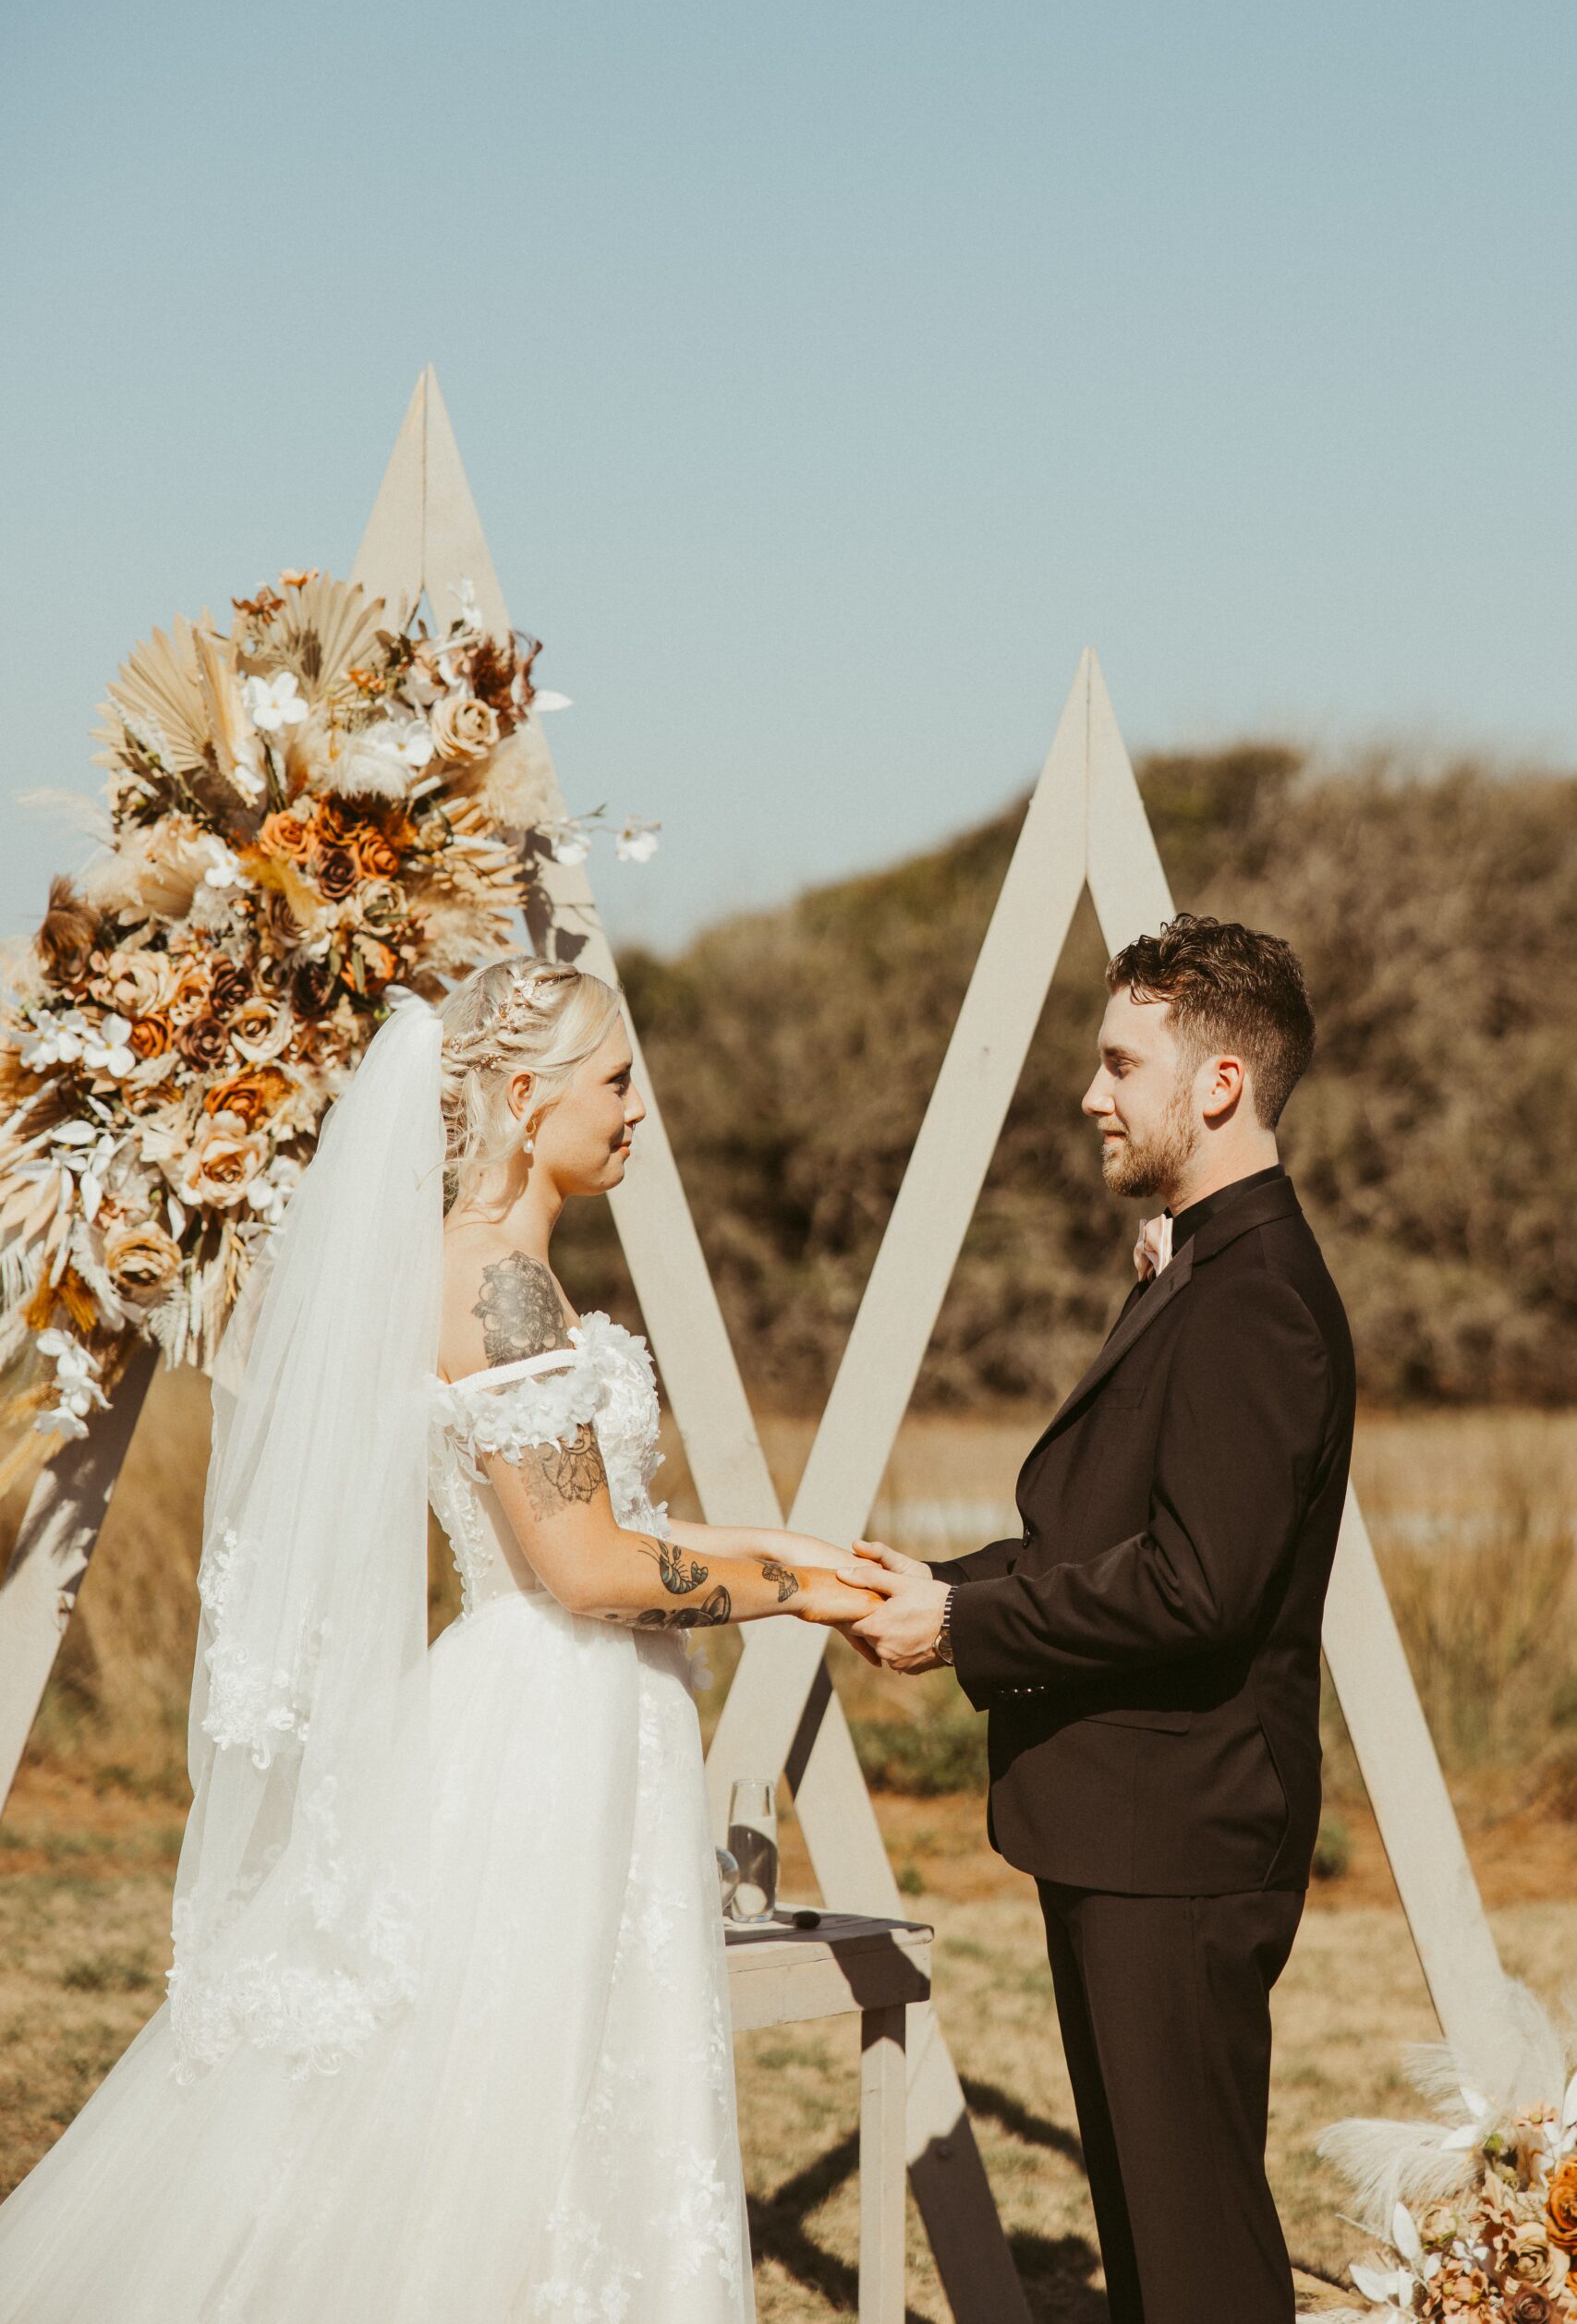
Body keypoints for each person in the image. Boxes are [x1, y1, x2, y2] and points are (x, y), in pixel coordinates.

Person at [0, 954, 880, 2323]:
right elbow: (585, 1569)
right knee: (527, 2087)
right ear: (526, 1100)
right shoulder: (504, 1292)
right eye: (614, 1084)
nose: (639, 1110)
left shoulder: (483, 1270)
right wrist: (793, 1596)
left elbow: (602, 1515)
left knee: (521, 2078)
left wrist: (799, 1550)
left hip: (550, 1688)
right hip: (558, 1718)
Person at [846, 913, 1356, 2324]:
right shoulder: (1201, 1264)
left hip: (1186, 1836)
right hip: (1139, 1827)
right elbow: (1108, 1539)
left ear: (1218, 1084)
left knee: (1197, 2262)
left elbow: (1197, 1588)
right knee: (1152, 2243)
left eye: (1121, 1062)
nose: (1090, 1092)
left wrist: (962, 1629)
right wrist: (942, 1588)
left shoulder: (1257, 1301)